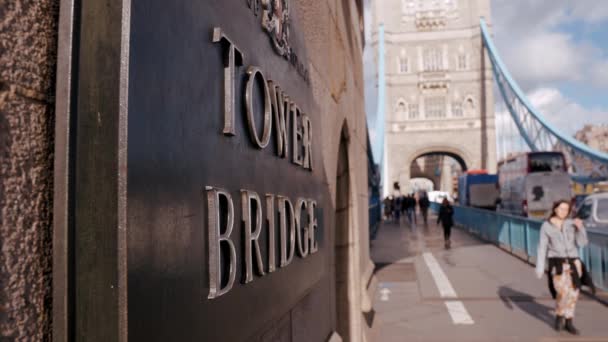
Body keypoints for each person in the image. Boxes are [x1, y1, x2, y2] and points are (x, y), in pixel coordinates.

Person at [535, 200, 588, 335]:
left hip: (573, 263)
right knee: (562, 292)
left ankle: (569, 321)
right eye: (561, 208)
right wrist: (540, 267)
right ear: (555, 209)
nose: (564, 212)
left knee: (573, 294)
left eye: (566, 209)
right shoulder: (546, 226)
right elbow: (542, 247)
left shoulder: (571, 224)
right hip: (557, 264)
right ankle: (560, 314)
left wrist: (580, 228)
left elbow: (582, 243)